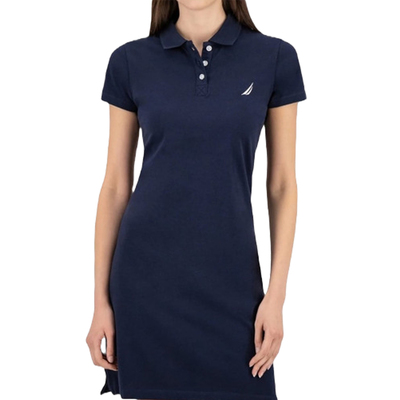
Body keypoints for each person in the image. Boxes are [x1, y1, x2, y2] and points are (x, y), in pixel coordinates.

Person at [86, 0, 307, 399]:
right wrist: (101, 301)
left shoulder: (274, 58)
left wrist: (276, 296)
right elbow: (116, 185)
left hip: (234, 284)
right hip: (145, 286)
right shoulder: (129, 61)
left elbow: (282, 185)